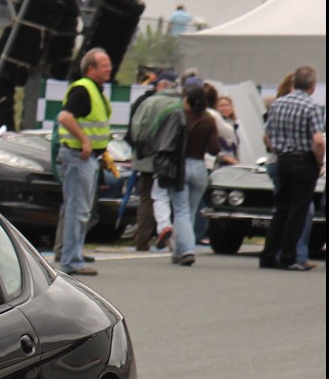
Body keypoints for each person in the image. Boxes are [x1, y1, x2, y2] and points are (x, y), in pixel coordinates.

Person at [55, 48, 114, 277]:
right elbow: (65, 116)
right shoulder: (84, 88)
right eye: (104, 64)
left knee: (79, 210)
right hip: (78, 156)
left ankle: (73, 255)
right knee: (77, 210)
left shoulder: (94, 90)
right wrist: (85, 141)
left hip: (85, 158)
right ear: (91, 68)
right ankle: (71, 261)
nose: (109, 68)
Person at [259, 66, 325, 271]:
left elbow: (267, 136)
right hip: (303, 160)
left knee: (281, 209)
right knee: (298, 210)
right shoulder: (311, 107)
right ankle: (289, 256)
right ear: (312, 86)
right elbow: (318, 140)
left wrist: (278, 149)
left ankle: (268, 255)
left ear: (294, 82)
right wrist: (319, 161)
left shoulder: (277, 104)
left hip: (282, 159)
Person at [167, 81, 219, 266]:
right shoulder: (209, 120)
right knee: (189, 211)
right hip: (200, 166)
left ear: (187, 100)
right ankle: (178, 250)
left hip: (181, 166)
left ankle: (187, 249)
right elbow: (214, 148)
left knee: (180, 210)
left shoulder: (179, 116)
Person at [127, 74, 182, 250]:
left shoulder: (148, 102)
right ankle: (174, 240)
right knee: (173, 199)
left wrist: (141, 150)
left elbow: (135, 129)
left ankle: (142, 240)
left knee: (146, 199)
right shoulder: (180, 104)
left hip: (147, 158)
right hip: (171, 159)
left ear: (161, 86)